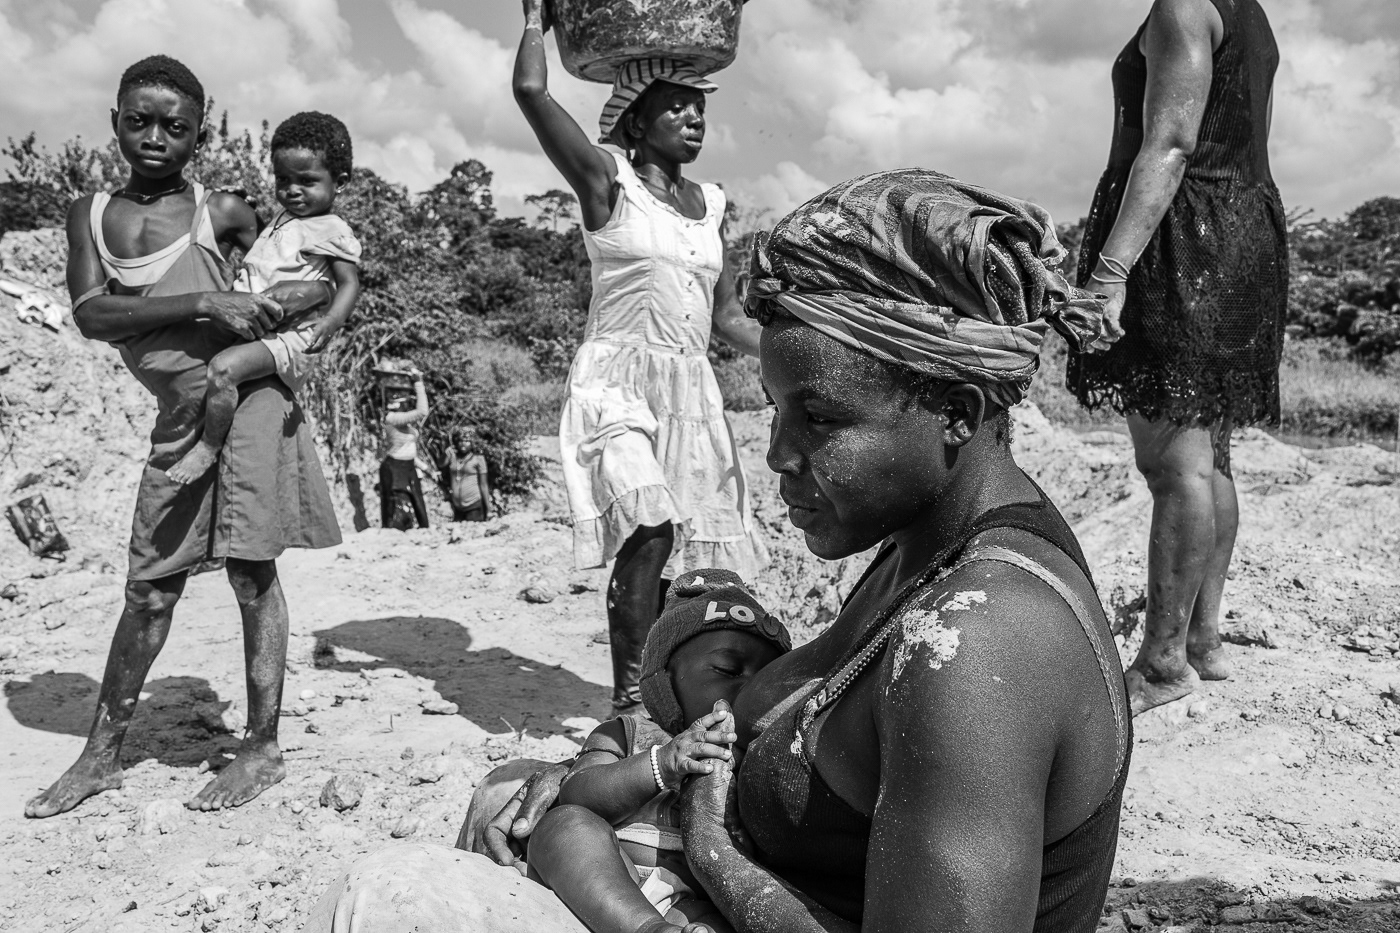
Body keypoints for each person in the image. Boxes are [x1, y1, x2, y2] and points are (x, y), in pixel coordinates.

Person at [306, 171, 1128, 933]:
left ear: (956, 409)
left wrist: (710, 845)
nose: (776, 453)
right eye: (773, 409)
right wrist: (602, 771)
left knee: (387, 893)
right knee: (507, 796)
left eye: (821, 417)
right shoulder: (923, 552)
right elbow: (795, 701)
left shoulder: (981, 640)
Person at [27, 55, 341, 819]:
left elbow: (301, 266)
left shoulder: (225, 209)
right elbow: (92, 315)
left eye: (176, 125)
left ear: (200, 134)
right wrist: (207, 301)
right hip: (182, 418)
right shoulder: (90, 213)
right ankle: (102, 753)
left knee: (251, 572)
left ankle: (262, 745)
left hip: (253, 400)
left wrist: (312, 297)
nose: (156, 136)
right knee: (148, 588)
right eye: (141, 121)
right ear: (115, 123)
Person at [513, 0, 769, 717]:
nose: (695, 118)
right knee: (649, 526)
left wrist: (786, 357)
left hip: (689, 390)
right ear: (636, 118)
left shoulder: (712, 204)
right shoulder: (607, 182)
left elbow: (723, 318)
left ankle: (658, 691)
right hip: (616, 379)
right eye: (677, 106)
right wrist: (538, 19)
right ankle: (629, 700)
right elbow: (532, 93)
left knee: (676, 555)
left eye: (700, 108)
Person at [1066, 0, 1286, 715]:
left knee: (1174, 464)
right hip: (1240, 229)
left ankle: (1162, 661)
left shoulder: (1184, 6)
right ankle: (1202, 642)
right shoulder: (1247, 12)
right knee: (1212, 455)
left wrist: (1109, 274)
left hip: (1183, 236)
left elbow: (1169, 141)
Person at [529, 569, 790, 933]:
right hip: (611, 875)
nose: (750, 688)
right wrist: (661, 764)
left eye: (766, 679)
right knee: (563, 826)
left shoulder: (764, 756)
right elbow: (577, 793)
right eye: (727, 670)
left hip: (694, 901)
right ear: (665, 681)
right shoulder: (627, 733)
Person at [166, 111, 362, 484]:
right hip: (260, 325)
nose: (292, 190)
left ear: (340, 183)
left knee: (223, 370)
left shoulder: (333, 229)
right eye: (283, 179)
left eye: (307, 181)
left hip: (289, 338)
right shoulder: (283, 218)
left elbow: (349, 283)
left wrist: (332, 321)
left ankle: (209, 448)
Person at [380, 369, 430, 530]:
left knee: (418, 504)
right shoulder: (392, 418)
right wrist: (418, 382)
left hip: (408, 467)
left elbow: (408, 450)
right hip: (394, 467)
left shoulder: (403, 423)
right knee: (397, 509)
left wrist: (424, 468)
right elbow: (422, 412)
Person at [445, 427, 492, 522]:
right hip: (457, 507)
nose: (463, 444)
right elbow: (441, 464)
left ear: (472, 443)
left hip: (473, 505)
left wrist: (488, 509)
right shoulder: (452, 457)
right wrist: (446, 453)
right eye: (461, 441)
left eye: (467, 441)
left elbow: (483, 484)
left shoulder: (478, 459)